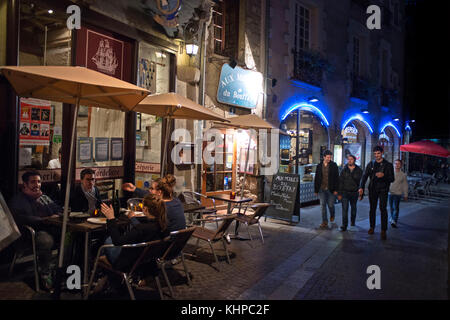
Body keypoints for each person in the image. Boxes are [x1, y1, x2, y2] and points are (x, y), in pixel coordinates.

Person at [9, 170, 62, 291]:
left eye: (39, 182)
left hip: (49, 229)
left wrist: (46, 204)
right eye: (33, 182)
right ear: (25, 185)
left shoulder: (43, 197)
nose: (37, 185)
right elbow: (21, 219)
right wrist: (45, 219)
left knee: (69, 235)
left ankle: (61, 269)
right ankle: (45, 274)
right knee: (45, 240)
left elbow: (58, 209)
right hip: (28, 235)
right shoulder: (18, 200)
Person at [359, 146, 395, 240]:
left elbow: (392, 179)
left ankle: (383, 230)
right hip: (373, 189)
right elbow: (364, 176)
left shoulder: (388, 165)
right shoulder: (371, 164)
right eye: (375, 154)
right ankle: (372, 227)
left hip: (383, 189)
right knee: (372, 208)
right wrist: (361, 187)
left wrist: (384, 175)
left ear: (382, 153)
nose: (376, 155)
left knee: (383, 208)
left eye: (378, 153)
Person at [314, 150, 340, 229]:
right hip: (322, 189)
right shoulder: (319, 166)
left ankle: (332, 214)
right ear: (324, 157)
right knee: (322, 205)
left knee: (331, 204)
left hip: (331, 189)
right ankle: (324, 222)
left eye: (330, 157)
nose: (329, 159)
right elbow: (317, 178)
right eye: (328, 157)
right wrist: (316, 190)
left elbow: (337, 178)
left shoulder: (334, 165)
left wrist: (336, 189)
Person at [338, 154, 363, 231]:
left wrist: (361, 193)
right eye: (348, 159)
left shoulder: (359, 170)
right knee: (344, 209)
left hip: (354, 192)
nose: (349, 160)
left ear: (354, 160)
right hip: (345, 192)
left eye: (351, 159)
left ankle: (352, 222)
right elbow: (340, 182)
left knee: (353, 208)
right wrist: (339, 194)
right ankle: (344, 225)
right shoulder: (344, 170)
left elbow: (361, 182)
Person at [388, 159, 408, 228]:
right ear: (394, 164)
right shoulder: (390, 173)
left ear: (401, 166)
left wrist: (405, 195)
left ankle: (394, 220)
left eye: (398, 164)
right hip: (390, 193)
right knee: (391, 207)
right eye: (396, 163)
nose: (397, 165)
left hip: (398, 193)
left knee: (395, 207)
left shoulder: (403, 175)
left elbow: (405, 185)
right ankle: (392, 217)